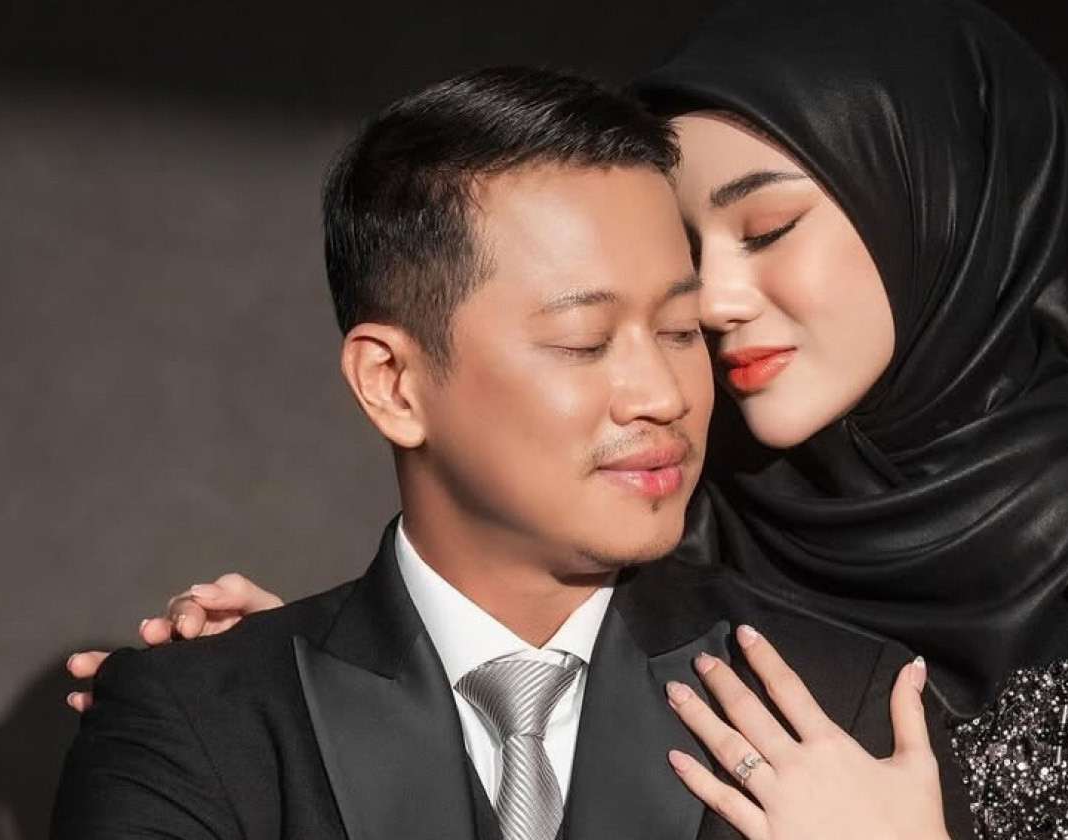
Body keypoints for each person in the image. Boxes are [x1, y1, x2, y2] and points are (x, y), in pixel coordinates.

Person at [69, 1, 1068, 837]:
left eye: (767, 229)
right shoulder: (682, 504)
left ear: (938, 211)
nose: (715, 315)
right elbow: (485, 610)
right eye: (685, 265)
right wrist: (281, 685)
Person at [51, 66, 965, 840]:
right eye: (583, 341)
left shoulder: (841, 710)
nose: (664, 395)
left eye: (682, 330)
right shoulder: (203, 723)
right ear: (391, 383)